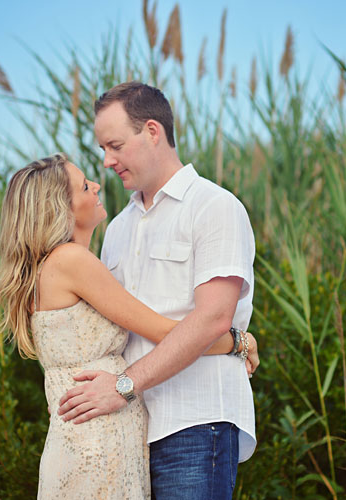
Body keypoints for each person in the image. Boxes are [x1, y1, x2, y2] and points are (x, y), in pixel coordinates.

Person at [0, 153, 257, 499]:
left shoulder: (54, 267)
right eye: (85, 186)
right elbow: (163, 331)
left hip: (92, 436)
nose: (98, 185)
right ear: (60, 208)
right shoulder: (72, 262)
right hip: (98, 443)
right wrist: (242, 342)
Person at [57, 82, 257, 499]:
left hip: (195, 423)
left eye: (114, 146)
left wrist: (123, 385)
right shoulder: (116, 229)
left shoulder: (214, 207)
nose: (107, 162)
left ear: (152, 131)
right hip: (126, 434)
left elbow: (212, 318)